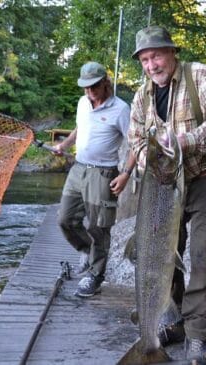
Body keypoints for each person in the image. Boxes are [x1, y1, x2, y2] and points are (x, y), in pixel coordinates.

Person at [126, 25, 206, 364]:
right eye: (145, 59)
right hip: (162, 185)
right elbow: (135, 139)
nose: (151, 65)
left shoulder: (201, 77)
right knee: (160, 255)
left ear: (172, 52)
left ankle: (198, 336)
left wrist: (183, 143)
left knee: (205, 256)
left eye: (156, 55)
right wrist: (149, 157)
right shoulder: (142, 95)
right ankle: (170, 323)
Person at [54, 61, 136, 298]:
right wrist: (64, 145)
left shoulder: (120, 109)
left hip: (103, 174)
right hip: (78, 169)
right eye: (86, 87)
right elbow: (79, 128)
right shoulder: (82, 103)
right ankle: (85, 250)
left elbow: (135, 145)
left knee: (99, 227)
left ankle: (95, 275)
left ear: (105, 83)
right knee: (65, 219)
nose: (90, 91)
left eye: (94, 86)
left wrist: (126, 174)